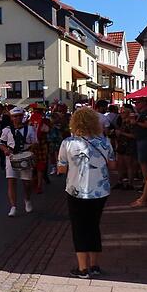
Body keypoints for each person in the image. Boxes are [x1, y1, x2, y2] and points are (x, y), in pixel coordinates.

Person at [57, 107, 114, 279]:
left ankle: (83, 268)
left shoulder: (68, 143)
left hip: (77, 190)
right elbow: (113, 166)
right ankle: (95, 265)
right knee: (94, 226)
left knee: (79, 228)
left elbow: (61, 168)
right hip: (100, 191)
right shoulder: (105, 142)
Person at [0, 107, 37, 217]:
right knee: (11, 181)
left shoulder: (30, 129)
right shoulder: (7, 130)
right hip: (11, 157)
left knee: (27, 183)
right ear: (11, 118)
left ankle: (27, 199)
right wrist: (5, 149)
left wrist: (31, 150)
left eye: (19, 116)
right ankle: (13, 206)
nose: (17, 118)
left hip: (25, 157)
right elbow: (0, 143)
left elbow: (35, 142)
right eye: (15, 116)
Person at [113, 105, 138, 190]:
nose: (121, 113)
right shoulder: (122, 122)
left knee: (129, 165)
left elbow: (134, 135)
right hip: (121, 144)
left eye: (123, 112)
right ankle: (120, 181)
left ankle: (130, 184)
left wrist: (121, 133)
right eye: (121, 112)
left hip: (128, 145)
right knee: (120, 164)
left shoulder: (130, 122)